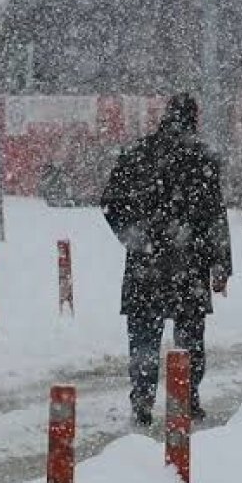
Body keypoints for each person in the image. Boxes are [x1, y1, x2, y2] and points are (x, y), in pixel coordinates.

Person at [100, 93, 232, 428]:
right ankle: (187, 397)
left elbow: (110, 202)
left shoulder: (137, 154)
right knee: (189, 337)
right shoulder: (202, 159)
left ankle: (142, 399)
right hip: (189, 265)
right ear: (194, 120)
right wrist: (220, 265)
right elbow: (216, 217)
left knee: (144, 334)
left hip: (145, 265)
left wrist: (135, 239)